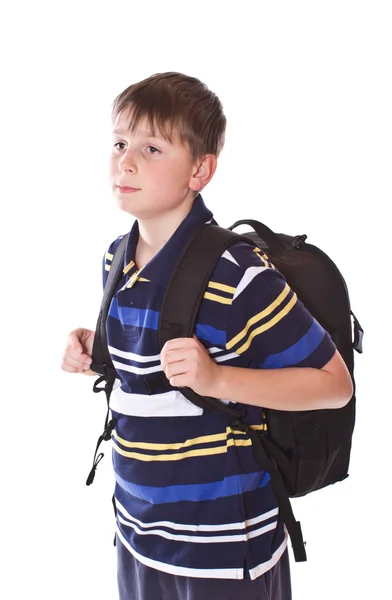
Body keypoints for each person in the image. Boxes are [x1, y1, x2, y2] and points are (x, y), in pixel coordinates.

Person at [61, 72, 353, 600]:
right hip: (138, 532)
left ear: (200, 169)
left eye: (152, 148)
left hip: (223, 550)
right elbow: (150, 373)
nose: (126, 161)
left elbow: (334, 384)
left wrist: (218, 377)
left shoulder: (237, 273)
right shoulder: (116, 257)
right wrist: (94, 350)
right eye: (120, 143)